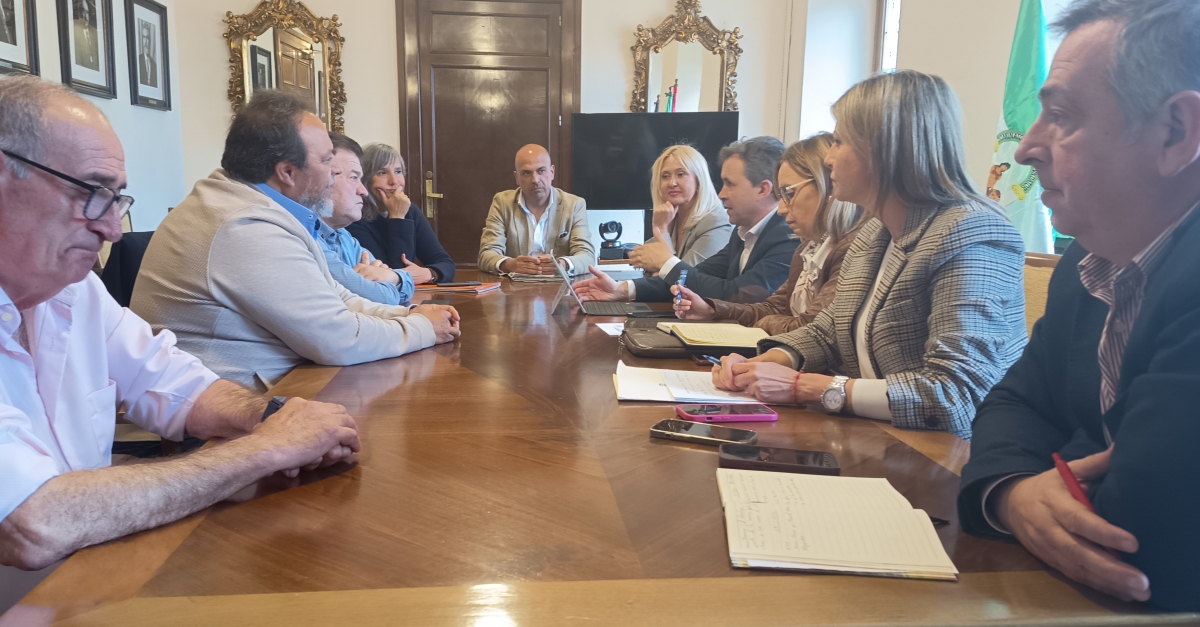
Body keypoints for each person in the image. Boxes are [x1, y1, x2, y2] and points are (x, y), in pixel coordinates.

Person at [0, 75, 360, 570]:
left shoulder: (72, 290)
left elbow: (173, 382)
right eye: (92, 191)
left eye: (116, 198)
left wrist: (272, 416)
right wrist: (265, 449)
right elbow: (34, 520)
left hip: (87, 579)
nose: (111, 229)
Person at [958, 0, 1200, 611]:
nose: (1026, 148)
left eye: (1061, 115)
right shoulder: (1088, 262)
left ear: (1176, 133)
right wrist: (1014, 491)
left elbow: (1139, 534)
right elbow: (1012, 402)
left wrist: (1044, 463)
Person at [711, 71, 1026, 441]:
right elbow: (830, 330)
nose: (828, 158)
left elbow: (955, 393)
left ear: (886, 149)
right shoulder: (875, 231)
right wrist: (763, 365)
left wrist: (807, 387)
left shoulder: (972, 233)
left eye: (840, 141)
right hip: (879, 438)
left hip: (949, 459)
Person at [131, 91, 460, 392]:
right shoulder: (244, 225)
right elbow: (339, 339)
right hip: (229, 420)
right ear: (287, 172)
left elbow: (337, 299)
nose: (334, 174)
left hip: (280, 389)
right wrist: (423, 328)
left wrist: (410, 314)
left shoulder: (257, 208)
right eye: (327, 161)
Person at [672, 133, 864, 334]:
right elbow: (771, 308)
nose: (781, 209)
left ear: (827, 185)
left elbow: (808, 330)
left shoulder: (852, 250)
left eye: (789, 194)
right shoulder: (808, 248)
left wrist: (767, 322)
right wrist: (711, 310)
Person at [573, 136, 797, 303]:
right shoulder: (743, 234)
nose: (722, 194)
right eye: (665, 176)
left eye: (730, 184)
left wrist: (665, 261)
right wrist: (622, 289)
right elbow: (692, 278)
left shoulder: (787, 237)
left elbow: (734, 293)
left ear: (763, 189)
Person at [315, 133, 414, 306]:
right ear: (322, 178)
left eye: (398, 172)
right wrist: (394, 280)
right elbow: (381, 298)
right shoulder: (309, 236)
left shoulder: (342, 234)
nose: (363, 191)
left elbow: (407, 278)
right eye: (354, 178)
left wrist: (393, 276)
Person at [478, 144, 596, 275]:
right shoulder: (502, 203)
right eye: (526, 173)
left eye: (541, 171)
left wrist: (562, 264)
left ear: (552, 172)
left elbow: (587, 256)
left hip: (559, 290)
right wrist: (511, 265)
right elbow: (486, 255)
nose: (535, 180)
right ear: (517, 177)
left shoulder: (574, 205)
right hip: (514, 290)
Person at [346, 142, 455, 284]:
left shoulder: (410, 211)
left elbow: (445, 263)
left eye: (398, 171)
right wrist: (397, 218)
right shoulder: (355, 216)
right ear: (365, 179)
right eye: (382, 173)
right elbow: (389, 276)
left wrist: (429, 273)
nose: (394, 181)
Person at [630, 144, 732, 273]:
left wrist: (660, 229)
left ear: (699, 180)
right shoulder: (670, 217)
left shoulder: (716, 223)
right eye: (665, 176)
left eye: (681, 174)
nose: (672, 183)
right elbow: (649, 271)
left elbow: (684, 280)